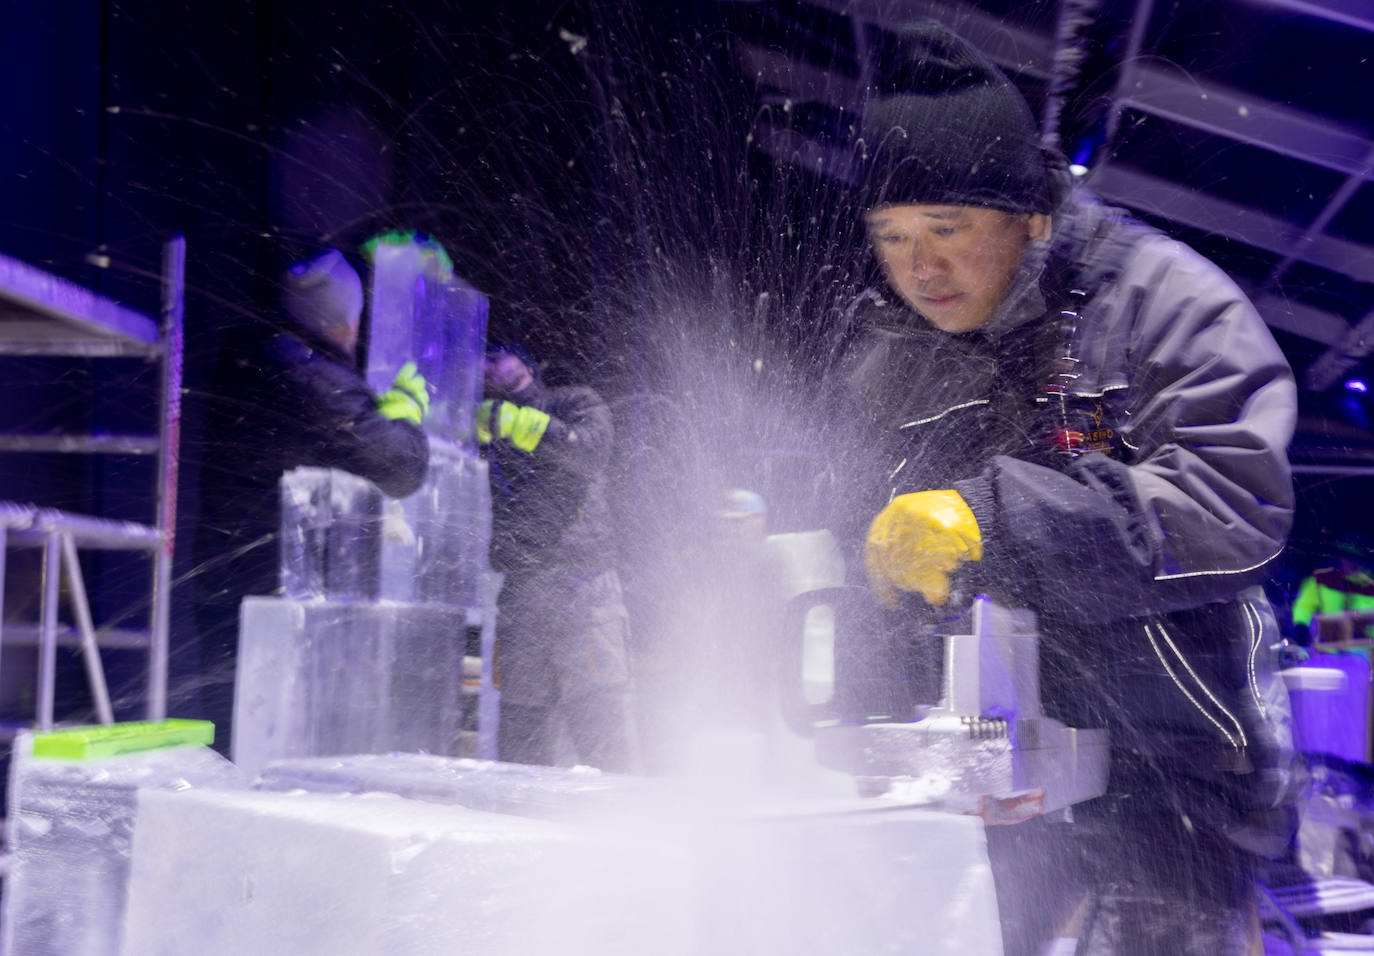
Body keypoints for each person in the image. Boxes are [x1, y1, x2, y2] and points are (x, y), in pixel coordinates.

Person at [829, 21, 1298, 955]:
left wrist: (995, 522)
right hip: (987, 772)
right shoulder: (887, 359)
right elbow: (868, 553)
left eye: (948, 229)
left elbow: (1233, 503)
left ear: (1031, 216)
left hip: (1176, 763)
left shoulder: (1161, 300)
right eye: (893, 237)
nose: (921, 267)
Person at [191, 246, 430, 755]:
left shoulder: (253, 355)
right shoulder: (314, 380)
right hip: (275, 594)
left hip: (228, 581)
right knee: (264, 748)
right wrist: (406, 413)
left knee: (230, 733)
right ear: (347, 322)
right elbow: (400, 468)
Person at [480, 339, 637, 772]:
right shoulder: (485, 424)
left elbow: (589, 452)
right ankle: (519, 811)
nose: (485, 364)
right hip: (523, 594)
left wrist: (518, 422)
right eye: (481, 359)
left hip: (582, 588)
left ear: (527, 364)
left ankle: (620, 812)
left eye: (496, 355)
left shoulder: (573, 402)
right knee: (522, 737)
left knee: (601, 725)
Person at [1292, 532, 1374, 645]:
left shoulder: (1371, 586)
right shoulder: (1322, 579)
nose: (1349, 562)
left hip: (1365, 650)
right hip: (1326, 649)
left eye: (1355, 558)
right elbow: (1304, 606)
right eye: (1345, 556)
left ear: (1364, 561)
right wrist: (1301, 625)